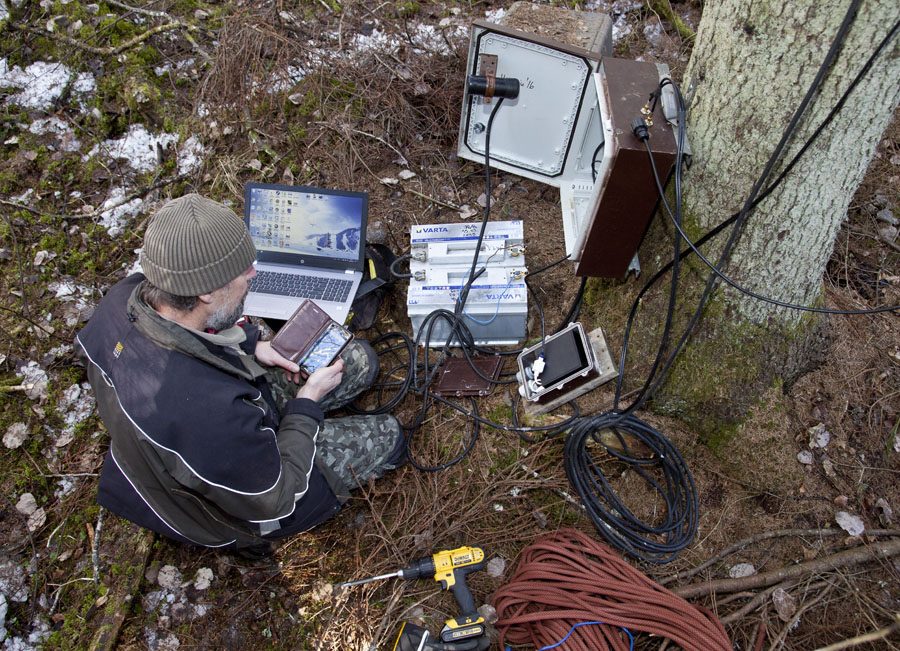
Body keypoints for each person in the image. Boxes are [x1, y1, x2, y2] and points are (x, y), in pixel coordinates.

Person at [76, 194, 405, 555]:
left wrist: (251, 346)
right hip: (253, 502)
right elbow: (276, 497)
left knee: (359, 360)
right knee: (389, 434)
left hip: (222, 429)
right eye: (242, 270)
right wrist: (306, 405)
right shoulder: (205, 411)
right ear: (205, 292)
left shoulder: (124, 297)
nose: (253, 274)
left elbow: (192, 338)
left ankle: (289, 418)